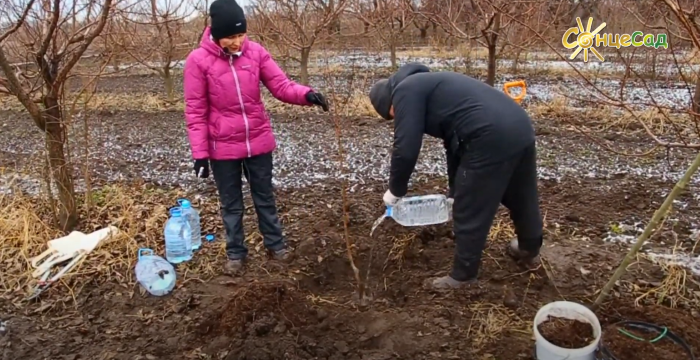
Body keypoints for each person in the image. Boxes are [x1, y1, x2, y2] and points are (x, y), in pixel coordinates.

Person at [183, 0, 329, 275]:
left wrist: (307, 95)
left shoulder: (256, 53)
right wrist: (200, 153)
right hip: (222, 146)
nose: (238, 42)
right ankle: (236, 253)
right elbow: (195, 110)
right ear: (215, 35)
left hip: (258, 141)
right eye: (231, 37)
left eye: (241, 35)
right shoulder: (198, 61)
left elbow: (281, 85)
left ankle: (276, 245)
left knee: (265, 197)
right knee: (231, 204)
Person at [368, 63, 543, 290]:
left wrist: (395, 191)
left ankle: (463, 277)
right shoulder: (432, 86)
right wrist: (454, 191)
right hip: (519, 125)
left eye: (391, 115)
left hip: (488, 134)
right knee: (521, 193)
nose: (396, 118)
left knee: (471, 206)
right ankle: (529, 249)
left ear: (388, 102)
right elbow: (454, 143)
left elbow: (406, 148)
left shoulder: (405, 90)